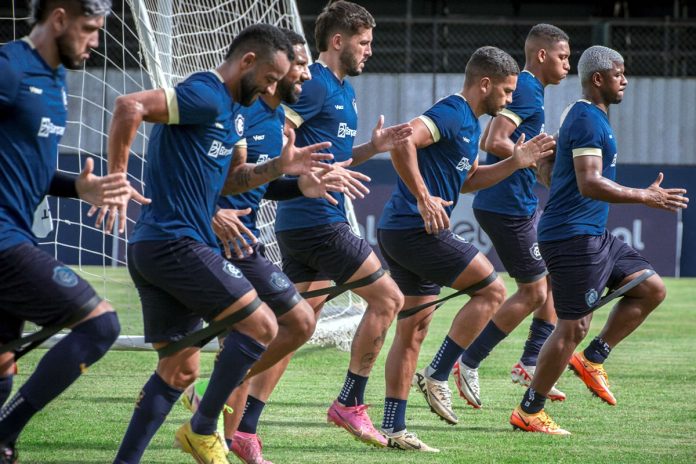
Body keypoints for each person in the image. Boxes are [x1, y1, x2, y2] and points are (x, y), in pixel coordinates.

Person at [108, 24, 332, 464]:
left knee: (179, 370)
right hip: (176, 243)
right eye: (270, 78)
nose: (273, 87)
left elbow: (232, 180)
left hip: (160, 248)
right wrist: (117, 176)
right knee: (262, 325)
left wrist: (278, 168)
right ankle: (204, 427)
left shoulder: (231, 110)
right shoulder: (206, 94)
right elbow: (128, 104)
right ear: (247, 61)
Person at [182, 28, 370, 464]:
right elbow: (203, 171)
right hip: (205, 243)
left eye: (304, 65)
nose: (305, 74)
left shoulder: (270, 120)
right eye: (299, 66)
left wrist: (299, 184)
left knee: (287, 325)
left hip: (244, 245)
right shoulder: (230, 108)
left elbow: (254, 185)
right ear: (274, 67)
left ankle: (224, 432)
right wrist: (212, 212)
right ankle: (219, 429)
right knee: (212, 351)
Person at [378, 46, 556, 451]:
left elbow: (469, 179)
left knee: (413, 329)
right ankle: (440, 373)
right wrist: (423, 196)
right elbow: (401, 141)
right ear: (485, 83)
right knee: (492, 290)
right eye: (507, 92)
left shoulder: (470, 125)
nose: (510, 100)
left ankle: (393, 426)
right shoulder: (452, 111)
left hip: (405, 229)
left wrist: (519, 161)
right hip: (415, 228)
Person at [252, 0, 412, 449]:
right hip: (317, 220)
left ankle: (228, 403)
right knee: (389, 299)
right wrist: (303, 176)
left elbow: (331, 160)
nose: (369, 51)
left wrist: (370, 148)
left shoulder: (343, 90)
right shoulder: (315, 85)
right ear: (337, 41)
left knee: (294, 329)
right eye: (363, 43)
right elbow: (275, 136)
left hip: (301, 225)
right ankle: (350, 403)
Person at [509, 45, 688, 435]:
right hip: (573, 238)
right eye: (618, 73)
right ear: (598, 78)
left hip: (592, 234)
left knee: (651, 288)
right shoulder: (588, 119)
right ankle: (529, 410)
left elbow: (551, 165)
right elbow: (589, 182)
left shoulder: (587, 116)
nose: (625, 79)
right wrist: (645, 196)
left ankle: (593, 358)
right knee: (572, 326)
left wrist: (553, 180)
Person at [0, 1, 138, 462]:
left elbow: (30, 172)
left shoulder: (57, 80)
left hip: (17, 232)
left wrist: (79, 187)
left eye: (99, 31)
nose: (95, 41)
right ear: (58, 19)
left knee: (3, 364)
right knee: (101, 324)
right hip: (3, 242)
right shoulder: (9, 67)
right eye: (88, 29)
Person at [456, 24, 571, 409]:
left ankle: (531, 361)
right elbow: (495, 139)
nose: (567, 65)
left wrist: (537, 164)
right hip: (505, 205)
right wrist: (533, 158)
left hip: (513, 202)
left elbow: (511, 145)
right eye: (563, 56)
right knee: (535, 290)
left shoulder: (530, 90)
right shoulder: (524, 88)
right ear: (542, 55)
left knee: (549, 279)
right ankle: (468, 361)